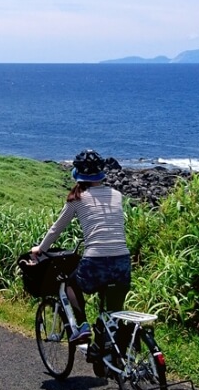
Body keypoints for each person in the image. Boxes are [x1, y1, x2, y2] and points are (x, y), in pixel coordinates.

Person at [31, 150, 131, 351]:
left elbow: (56, 229)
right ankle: (111, 353)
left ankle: (83, 325)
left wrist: (40, 249)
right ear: (101, 173)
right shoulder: (117, 195)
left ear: (78, 174)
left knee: (69, 284)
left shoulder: (77, 199)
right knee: (112, 313)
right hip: (123, 261)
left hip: (96, 261)